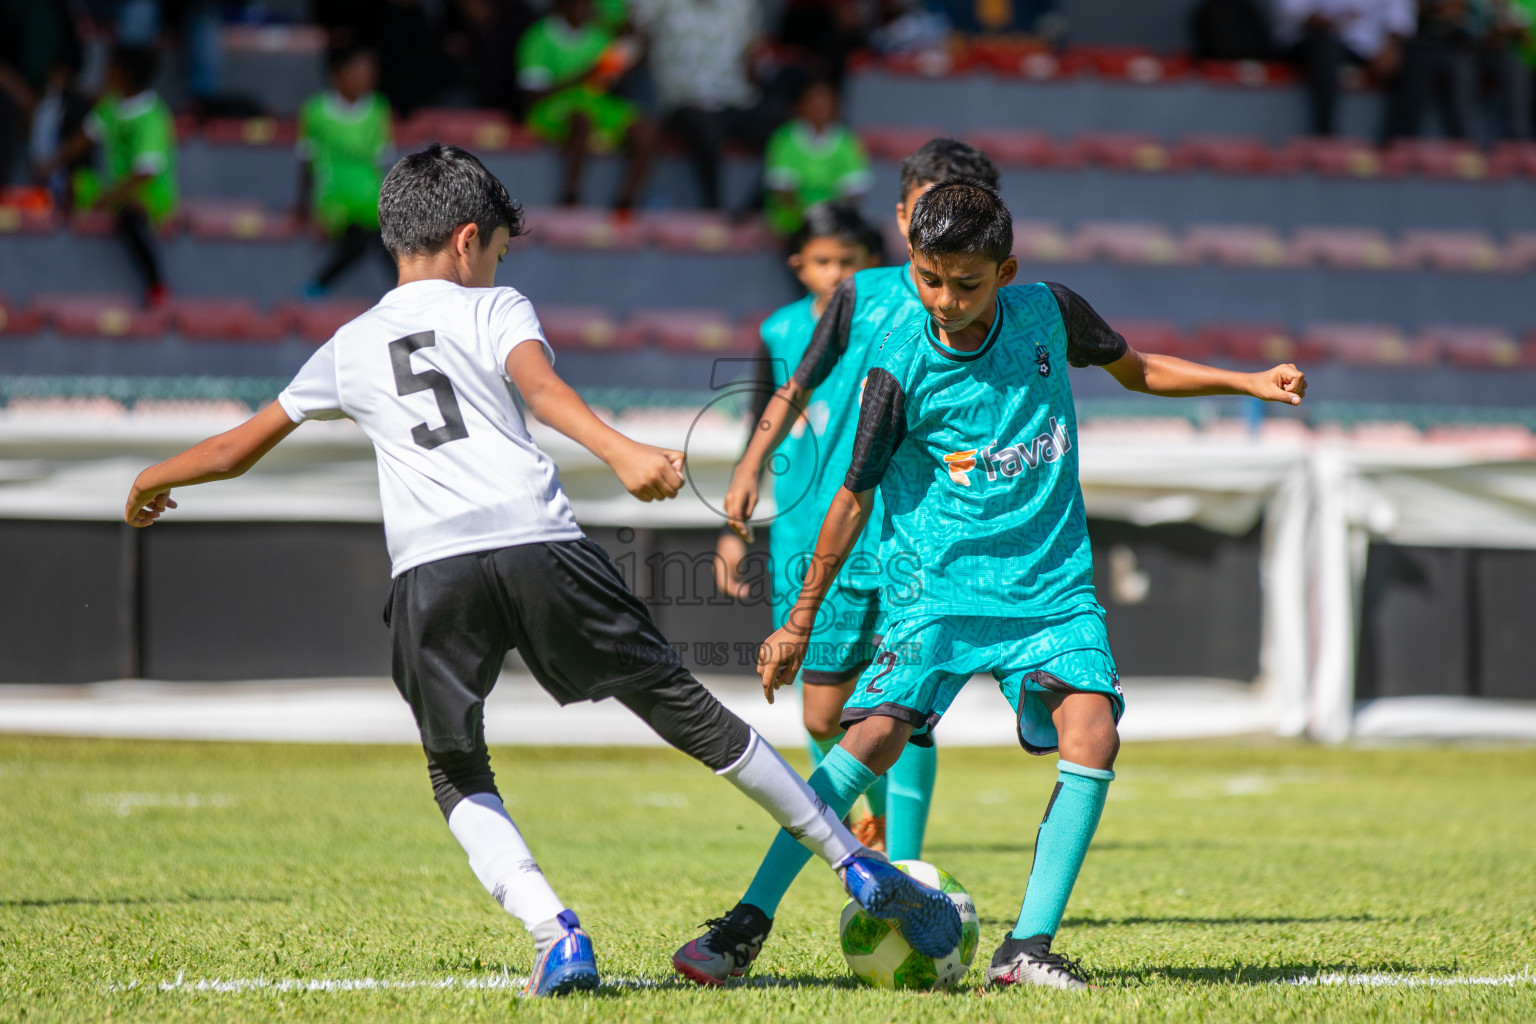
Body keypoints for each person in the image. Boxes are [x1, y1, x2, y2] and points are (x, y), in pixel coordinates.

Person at [121, 144, 960, 997]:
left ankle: (555, 933)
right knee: (693, 716)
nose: (495, 266)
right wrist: (622, 448)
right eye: (496, 252)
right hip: (537, 544)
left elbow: (236, 449)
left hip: (431, 570)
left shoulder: (349, 344)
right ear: (467, 240)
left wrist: (151, 479)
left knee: (456, 772)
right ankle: (853, 862)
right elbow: (539, 387)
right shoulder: (494, 306)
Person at [736, 180, 1307, 991]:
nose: (945, 299)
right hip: (937, 592)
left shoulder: (1050, 313)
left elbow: (1137, 369)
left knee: (1094, 732)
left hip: (1050, 590)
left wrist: (1245, 382)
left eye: (966, 283)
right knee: (866, 742)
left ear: (1007, 270)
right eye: (929, 279)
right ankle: (746, 921)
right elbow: (853, 497)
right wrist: (799, 622)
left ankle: (1026, 947)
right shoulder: (896, 367)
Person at [674, 138, 999, 987]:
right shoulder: (857, 300)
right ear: (903, 217)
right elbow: (791, 387)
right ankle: (870, 836)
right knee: (823, 716)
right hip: (827, 530)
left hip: (913, 541)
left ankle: (907, 866)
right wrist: (747, 466)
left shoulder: (988, 308)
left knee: (894, 713)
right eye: (927, 205)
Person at [713, 201, 877, 834]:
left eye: (848, 262)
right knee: (815, 691)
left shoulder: (888, 321)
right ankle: (855, 821)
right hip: (798, 530)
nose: (835, 273)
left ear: (870, 266)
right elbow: (762, 420)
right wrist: (733, 531)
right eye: (823, 261)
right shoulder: (780, 330)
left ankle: (896, 835)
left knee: (890, 683)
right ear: (798, 265)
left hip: (876, 521)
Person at [42, 45, 179, 308]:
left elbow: (145, 174)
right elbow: (83, 140)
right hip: (113, 188)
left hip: (148, 194)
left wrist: (105, 200)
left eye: (110, 68)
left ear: (123, 74)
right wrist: (48, 165)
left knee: (131, 214)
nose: (104, 73)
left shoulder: (152, 116)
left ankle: (156, 283)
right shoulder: (112, 106)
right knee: (75, 184)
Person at [632, 0, 777, 211]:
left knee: (782, 126)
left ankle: (755, 206)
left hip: (733, 100)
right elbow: (632, 35)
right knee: (706, 127)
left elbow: (755, 53)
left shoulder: (741, 5)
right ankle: (714, 207)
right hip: (683, 102)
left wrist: (758, 63)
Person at [517, 0, 654, 209]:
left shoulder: (599, 37)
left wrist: (629, 55)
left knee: (646, 130)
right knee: (581, 120)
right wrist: (583, 76)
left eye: (588, 5)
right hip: (552, 107)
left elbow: (607, 82)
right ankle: (570, 197)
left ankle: (625, 203)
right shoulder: (538, 38)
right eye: (579, 5)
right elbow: (532, 94)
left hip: (595, 103)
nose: (586, 10)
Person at [296, 44, 396, 296]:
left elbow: (382, 162)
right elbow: (307, 161)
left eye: (370, 70)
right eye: (360, 70)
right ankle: (317, 288)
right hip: (333, 201)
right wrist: (303, 206)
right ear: (337, 74)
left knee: (382, 238)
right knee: (363, 238)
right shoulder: (315, 112)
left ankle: (316, 288)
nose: (368, 76)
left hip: (370, 202)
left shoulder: (378, 110)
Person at [1275, 0, 1415, 136]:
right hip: (1316, 39)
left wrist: (1393, 46)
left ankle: (1396, 144)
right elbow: (1294, 10)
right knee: (1325, 51)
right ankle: (1325, 137)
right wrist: (1332, 21)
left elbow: (1400, 16)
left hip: (1369, 45)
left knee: (1417, 59)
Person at [762, 77, 870, 236]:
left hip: (835, 223)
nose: (821, 107)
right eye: (814, 101)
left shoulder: (847, 141)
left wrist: (831, 218)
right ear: (801, 105)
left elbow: (854, 192)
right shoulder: (784, 140)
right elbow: (783, 192)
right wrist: (810, 219)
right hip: (793, 222)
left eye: (827, 101)